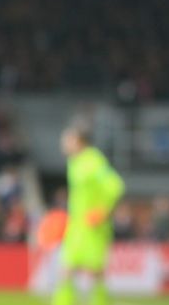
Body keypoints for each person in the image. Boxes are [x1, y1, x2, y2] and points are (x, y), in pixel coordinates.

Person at [53, 121, 124, 305]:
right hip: (77, 225)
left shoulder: (93, 161)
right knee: (67, 267)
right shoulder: (74, 162)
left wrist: (102, 211)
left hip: (93, 226)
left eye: (68, 140)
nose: (64, 144)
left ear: (79, 141)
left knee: (93, 271)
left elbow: (115, 185)